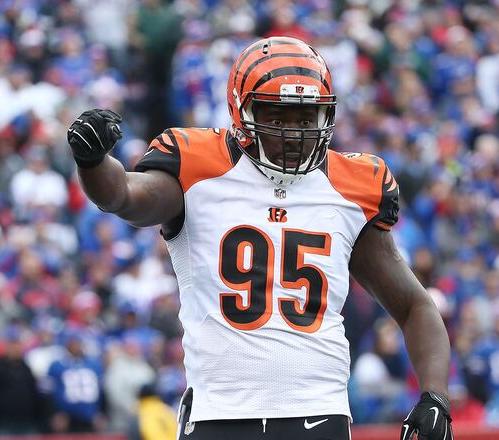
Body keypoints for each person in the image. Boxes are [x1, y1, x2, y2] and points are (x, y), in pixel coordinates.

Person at [67, 36, 453, 440]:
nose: (293, 131)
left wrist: (435, 397)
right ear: (241, 110)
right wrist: (93, 161)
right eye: (278, 115)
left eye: (306, 118)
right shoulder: (198, 166)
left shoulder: (352, 187)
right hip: (219, 413)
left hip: (319, 413)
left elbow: (414, 306)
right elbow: (123, 195)